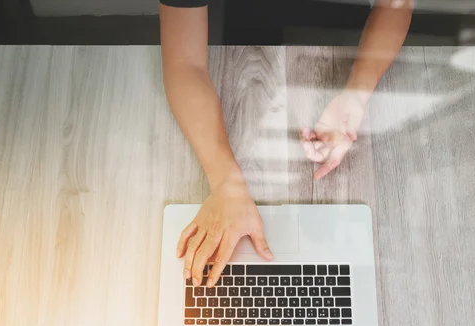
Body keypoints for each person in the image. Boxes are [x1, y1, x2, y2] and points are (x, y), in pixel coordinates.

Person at [160, 0, 413, 288]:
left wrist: (357, 92)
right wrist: (225, 182)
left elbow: (395, 5)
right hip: (233, 40)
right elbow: (184, 63)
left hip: (349, 38)